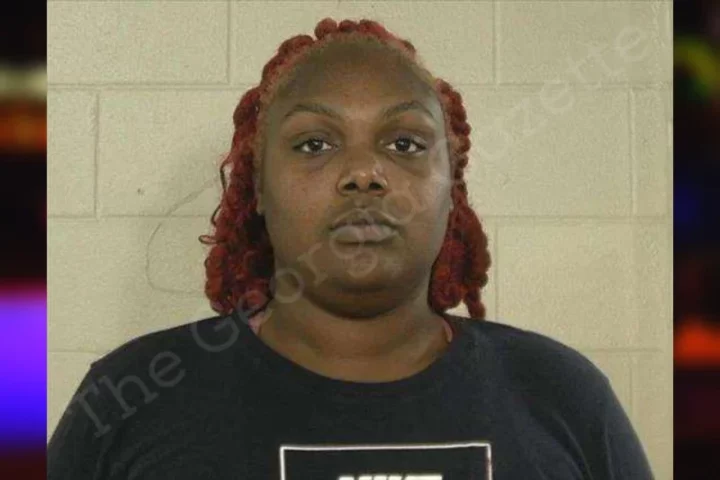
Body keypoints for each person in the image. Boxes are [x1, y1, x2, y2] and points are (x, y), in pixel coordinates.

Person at [47, 18, 654, 479]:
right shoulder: (131, 398)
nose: (364, 173)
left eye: (405, 144)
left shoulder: (562, 395)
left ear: (452, 189)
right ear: (258, 188)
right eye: (314, 144)